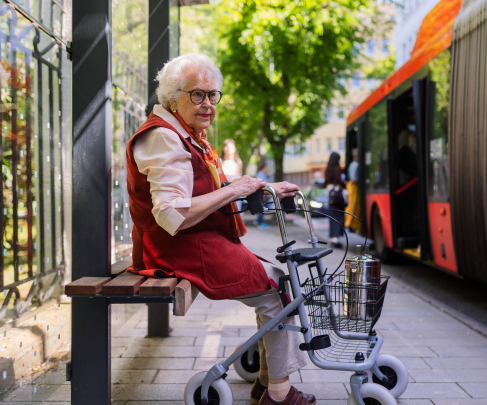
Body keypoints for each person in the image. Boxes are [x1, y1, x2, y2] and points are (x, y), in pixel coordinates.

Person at [125, 53, 314, 405]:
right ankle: (278, 393)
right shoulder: (164, 139)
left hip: (196, 241)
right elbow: (172, 216)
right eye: (197, 94)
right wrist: (234, 189)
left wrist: (264, 187)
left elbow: (209, 190)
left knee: (277, 280)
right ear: (172, 98)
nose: (208, 103)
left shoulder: (184, 133)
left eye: (213, 95)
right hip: (176, 248)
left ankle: (268, 379)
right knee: (276, 292)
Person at [323, 152, 347, 247]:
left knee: (332, 217)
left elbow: (324, 184)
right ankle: (336, 239)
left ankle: (332, 238)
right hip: (338, 196)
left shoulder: (327, 169)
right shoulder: (337, 169)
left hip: (331, 196)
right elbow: (340, 182)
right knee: (339, 217)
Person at [344, 148, 361, 233]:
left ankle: (352, 224)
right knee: (354, 206)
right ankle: (353, 224)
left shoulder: (352, 164)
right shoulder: (356, 164)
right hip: (354, 187)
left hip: (351, 186)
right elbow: (355, 178)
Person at [253, 163, 270, 228]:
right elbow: (262, 186)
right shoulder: (261, 174)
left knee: (263, 209)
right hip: (263, 195)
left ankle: (258, 221)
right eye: (266, 168)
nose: (267, 169)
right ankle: (259, 222)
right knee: (263, 209)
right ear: (264, 168)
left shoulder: (261, 174)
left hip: (263, 195)